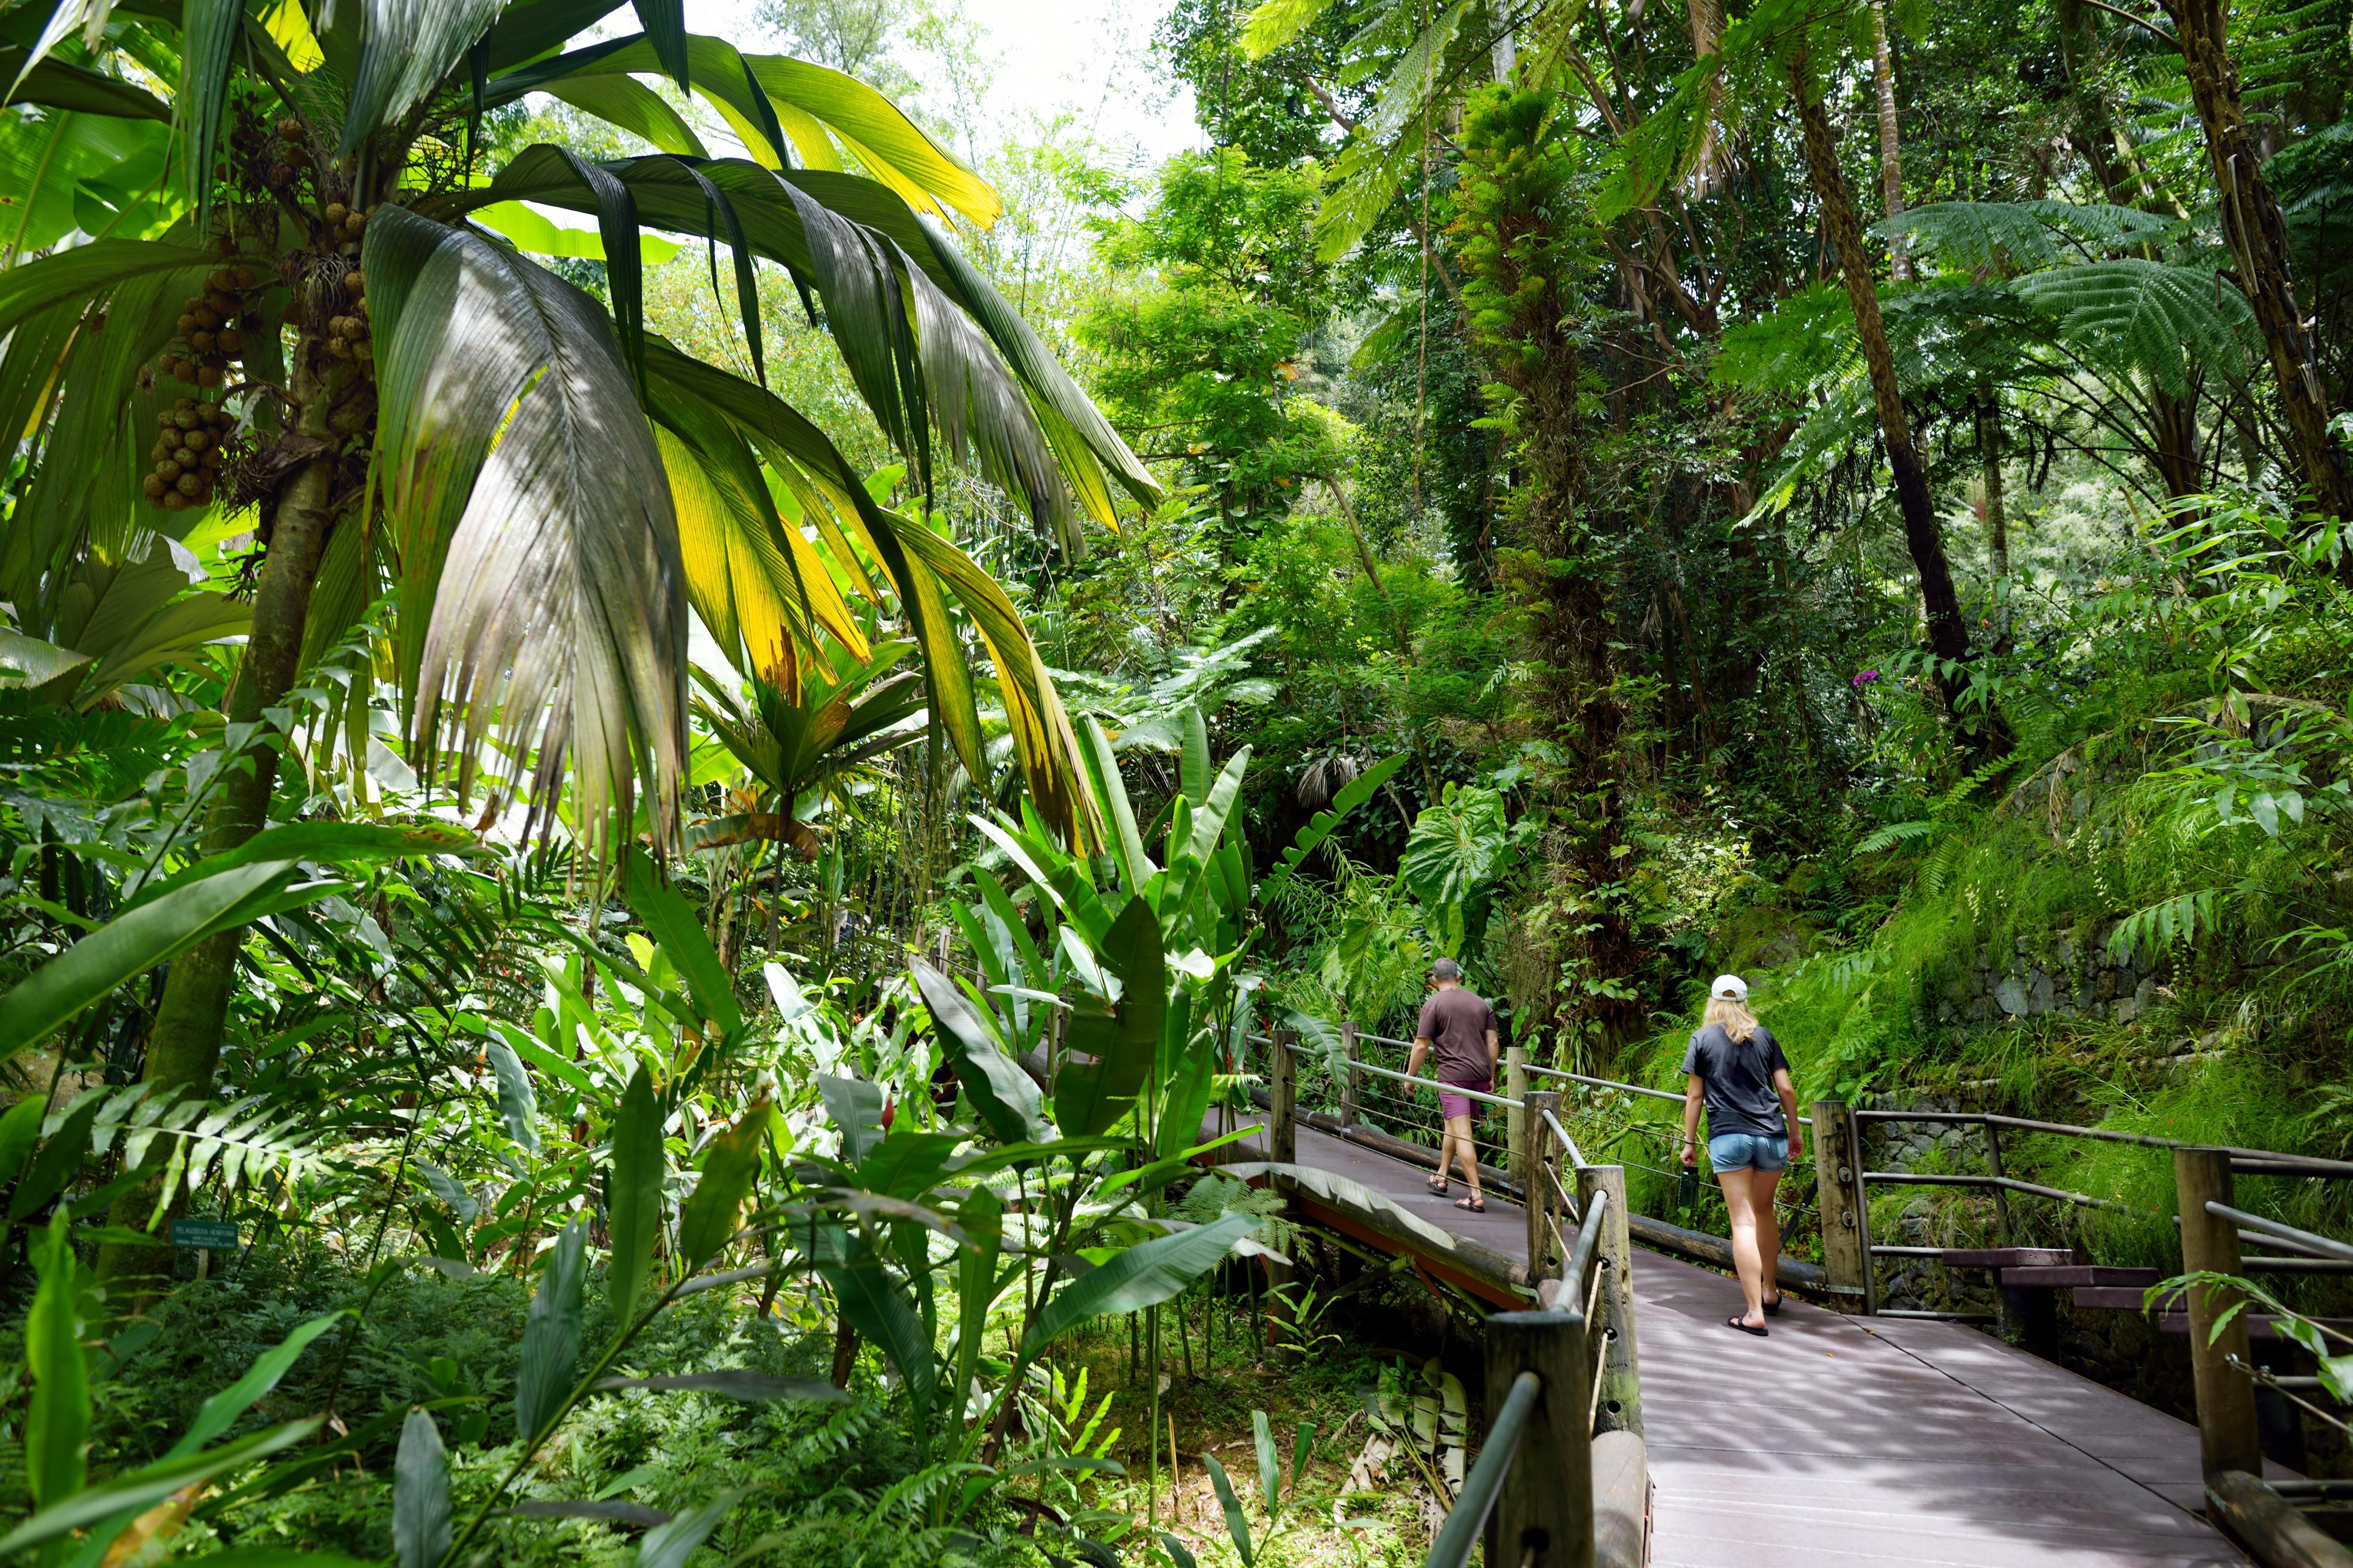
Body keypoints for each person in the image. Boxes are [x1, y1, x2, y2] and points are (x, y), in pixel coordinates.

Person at [1678, 974, 1803, 1337]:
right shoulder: (1764, 1037)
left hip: (1729, 1137)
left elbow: (1695, 1097)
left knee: (1743, 1221)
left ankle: (1753, 1314)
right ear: (1746, 1002)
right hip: (1771, 1136)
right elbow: (1786, 1089)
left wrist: (1689, 1142)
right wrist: (1794, 1132)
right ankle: (1770, 1292)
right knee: (1764, 1211)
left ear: (1713, 1002)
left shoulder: (1702, 1039)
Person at [1406, 958, 1498, 1213]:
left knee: (1462, 1134)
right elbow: (1492, 1044)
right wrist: (1489, 1076)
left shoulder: (1433, 1004)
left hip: (1454, 1077)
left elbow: (1422, 1045)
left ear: (1434, 980)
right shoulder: (1481, 1004)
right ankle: (1442, 1176)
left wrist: (1410, 1077)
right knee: (1453, 1125)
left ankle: (1476, 1195)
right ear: (1459, 977)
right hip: (1479, 1074)